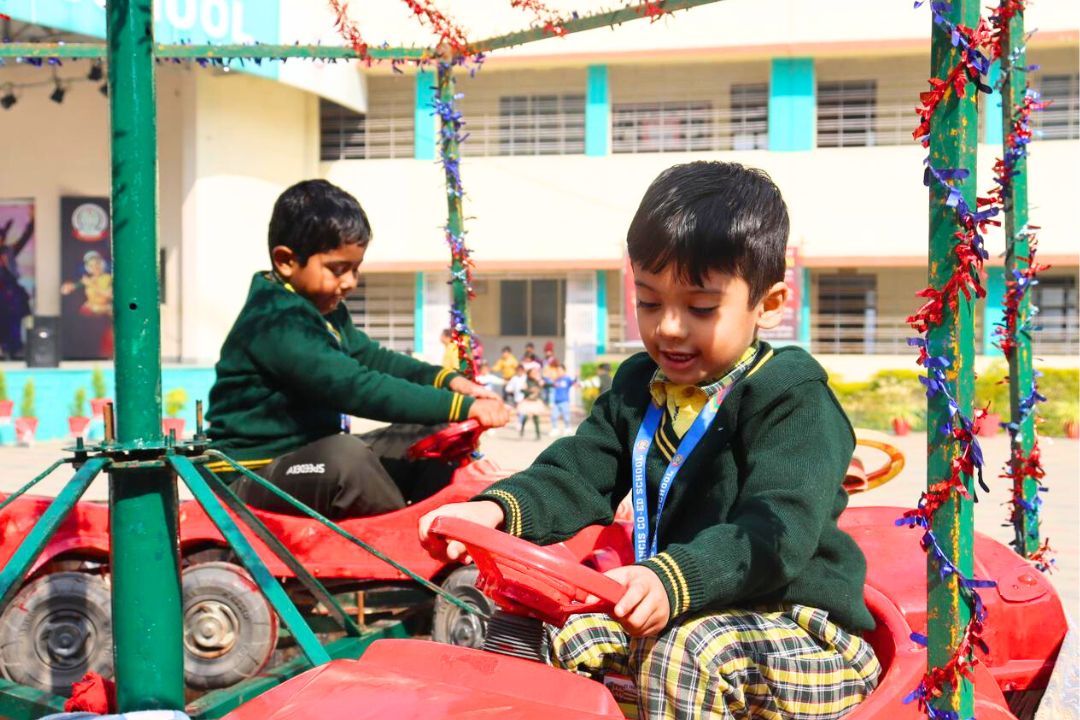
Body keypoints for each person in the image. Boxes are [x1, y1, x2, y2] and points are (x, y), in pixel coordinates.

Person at [420, 162, 878, 719]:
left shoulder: (791, 398)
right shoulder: (640, 388)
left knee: (685, 654)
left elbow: (776, 530)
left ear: (770, 305)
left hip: (799, 630)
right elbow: (577, 471)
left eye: (701, 307)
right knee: (555, 634)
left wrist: (672, 576)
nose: (669, 328)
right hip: (687, 616)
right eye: (650, 301)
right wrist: (495, 510)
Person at [206, 179, 510, 520]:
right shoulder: (275, 321)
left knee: (433, 433)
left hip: (308, 457)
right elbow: (353, 386)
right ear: (286, 261)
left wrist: (448, 382)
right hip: (252, 475)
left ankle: (446, 527)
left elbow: (369, 358)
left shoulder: (322, 308)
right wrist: (464, 407)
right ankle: (407, 550)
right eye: (338, 269)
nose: (350, 282)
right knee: (346, 460)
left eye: (355, 268)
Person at [516, 366, 546, 440]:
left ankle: (538, 434)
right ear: (529, 374)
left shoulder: (537, 381)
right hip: (528, 402)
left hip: (535, 402)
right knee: (526, 417)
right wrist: (529, 391)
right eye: (532, 373)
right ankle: (522, 429)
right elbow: (522, 390)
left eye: (535, 373)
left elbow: (545, 386)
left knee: (536, 418)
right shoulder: (526, 382)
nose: (534, 374)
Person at [548, 362, 576, 436]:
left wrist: (576, 377)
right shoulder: (556, 380)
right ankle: (555, 429)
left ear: (564, 370)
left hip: (564, 401)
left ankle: (568, 429)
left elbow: (573, 382)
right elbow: (552, 390)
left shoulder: (567, 379)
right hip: (556, 402)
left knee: (566, 416)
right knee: (553, 416)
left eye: (560, 370)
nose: (558, 372)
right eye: (557, 370)